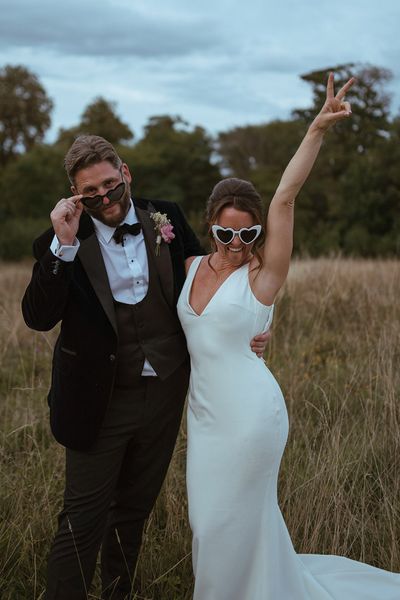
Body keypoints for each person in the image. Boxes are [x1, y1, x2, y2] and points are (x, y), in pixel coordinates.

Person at [177, 73, 400, 599]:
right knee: (208, 525)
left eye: (248, 233)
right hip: (205, 419)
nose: (237, 242)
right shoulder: (185, 266)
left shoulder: (261, 277)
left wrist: (317, 128)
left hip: (253, 418)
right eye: (227, 232)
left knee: (229, 523)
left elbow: (284, 199)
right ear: (211, 225)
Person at [21, 134, 269, 600]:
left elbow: (215, 276)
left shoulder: (167, 218)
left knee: (133, 513)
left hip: (165, 396)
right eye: (90, 193)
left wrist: (253, 323)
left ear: (126, 174)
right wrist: (63, 244)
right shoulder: (62, 241)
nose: (105, 199)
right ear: (76, 194)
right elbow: (37, 318)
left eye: (111, 186)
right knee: (81, 521)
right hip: (98, 401)